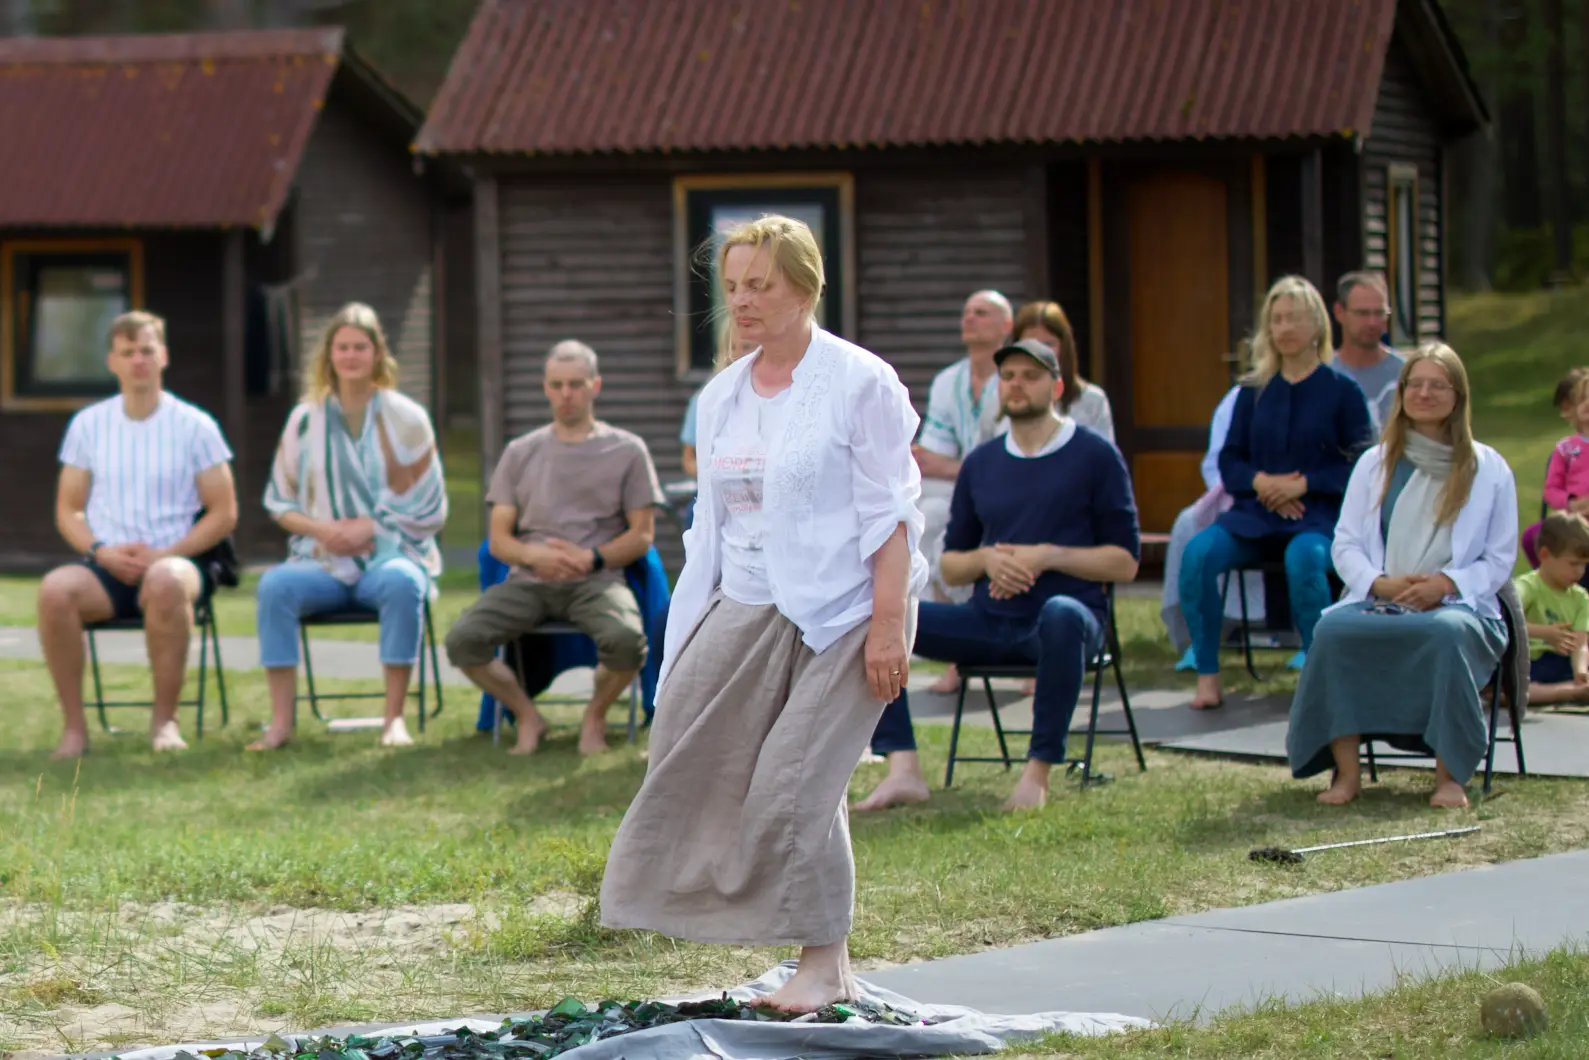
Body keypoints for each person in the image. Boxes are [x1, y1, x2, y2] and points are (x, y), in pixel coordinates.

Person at [598, 214, 927, 1013]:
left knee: (794, 780)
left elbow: (893, 511)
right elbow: (712, 524)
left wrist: (887, 623)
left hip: (846, 610)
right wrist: (693, 621)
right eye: (733, 286)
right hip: (744, 600)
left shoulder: (859, 381)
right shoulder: (721, 396)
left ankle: (818, 964)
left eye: (760, 286)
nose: (741, 302)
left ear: (805, 288)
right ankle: (819, 958)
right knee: (683, 739)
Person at [855, 337, 1140, 813]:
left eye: (1030, 376)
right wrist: (987, 561)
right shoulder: (982, 463)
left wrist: (1046, 556)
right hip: (989, 620)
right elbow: (951, 563)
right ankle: (903, 769)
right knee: (876, 616)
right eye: (1008, 376)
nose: (1016, 385)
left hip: (1067, 623)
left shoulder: (1095, 456)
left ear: (1057, 386)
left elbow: (1126, 563)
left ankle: (1037, 776)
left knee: (1061, 615)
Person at [1287, 343, 1517, 809]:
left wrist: (1445, 584)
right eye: (1416, 384)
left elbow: (1499, 559)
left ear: (1458, 395)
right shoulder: (1374, 463)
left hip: (1458, 606)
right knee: (1332, 629)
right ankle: (1347, 776)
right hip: (1381, 597)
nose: (1425, 394)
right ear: (1402, 392)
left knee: (1446, 634)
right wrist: (1379, 583)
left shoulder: (1488, 468)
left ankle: (1450, 778)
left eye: (1438, 385)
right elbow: (1345, 544)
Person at [445, 340, 661, 756]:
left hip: (596, 579)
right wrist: (534, 557)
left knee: (627, 642)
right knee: (463, 640)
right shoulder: (520, 452)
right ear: (545, 388)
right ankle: (527, 715)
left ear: (595, 386)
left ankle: (594, 715)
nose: (566, 394)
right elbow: (499, 538)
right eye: (557, 384)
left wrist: (591, 557)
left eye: (576, 384)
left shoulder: (627, 450)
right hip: (530, 579)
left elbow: (642, 535)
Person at [38, 311, 238, 760]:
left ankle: (165, 722)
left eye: (147, 350)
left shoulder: (196, 425)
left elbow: (225, 512)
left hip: (178, 562)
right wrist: (100, 551)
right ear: (112, 361)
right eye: (128, 353)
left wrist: (167, 553)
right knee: (54, 590)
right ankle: (74, 730)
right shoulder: (88, 425)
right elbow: (68, 509)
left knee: (166, 580)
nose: (138, 361)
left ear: (163, 356)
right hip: (107, 566)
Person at [253, 303, 448, 751]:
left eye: (360, 346)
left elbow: (431, 502)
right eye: (342, 347)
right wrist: (323, 531)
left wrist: (371, 528)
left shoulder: (407, 417)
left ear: (378, 353)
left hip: (390, 554)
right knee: (274, 587)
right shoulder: (305, 419)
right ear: (329, 355)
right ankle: (280, 722)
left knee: (402, 583)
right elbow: (278, 500)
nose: (351, 355)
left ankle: (393, 718)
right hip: (320, 560)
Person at [1179, 276, 1374, 708]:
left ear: (1317, 326)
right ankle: (1208, 676)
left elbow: (1362, 464)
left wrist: (1303, 483)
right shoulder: (1252, 392)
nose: (1284, 328)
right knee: (1197, 555)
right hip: (1255, 515)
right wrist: (1262, 483)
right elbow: (1229, 460)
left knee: (1304, 559)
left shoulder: (1343, 392)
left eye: (1294, 318)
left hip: (1318, 517)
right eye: (1277, 319)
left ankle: (1318, 672)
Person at [915, 289, 1013, 693]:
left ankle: (972, 644)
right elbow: (928, 457)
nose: (970, 318)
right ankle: (954, 646)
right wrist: (963, 468)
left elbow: (1010, 463)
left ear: (1006, 326)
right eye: (967, 312)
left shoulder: (1014, 377)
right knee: (928, 515)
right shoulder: (948, 381)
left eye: (982, 312)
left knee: (954, 519)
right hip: (961, 493)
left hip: (1009, 494)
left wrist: (957, 468)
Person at [1160, 384, 1266, 668]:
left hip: (1303, 503)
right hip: (1238, 498)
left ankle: (1298, 635)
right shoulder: (1241, 396)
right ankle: (1202, 640)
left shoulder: (1329, 388)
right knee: (1189, 525)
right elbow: (1218, 463)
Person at [1011, 300, 1114, 441]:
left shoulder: (1092, 400)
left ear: (1063, 348)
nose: (1038, 352)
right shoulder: (999, 401)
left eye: (1048, 344)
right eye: (1030, 344)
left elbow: (1104, 459)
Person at [1517, 511, 1589, 706]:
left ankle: (1574, 688)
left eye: (1584, 565)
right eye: (1573, 564)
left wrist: (1581, 670)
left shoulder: (1580, 597)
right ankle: (1566, 692)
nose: (1580, 572)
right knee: (1510, 688)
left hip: (1562, 662)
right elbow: (1506, 620)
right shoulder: (1528, 586)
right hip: (1530, 662)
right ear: (1545, 555)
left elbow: (1581, 643)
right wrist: (1545, 633)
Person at [1520, 368, 1589, 571]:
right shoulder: (1565, 449)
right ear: (1572, 409)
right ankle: (1548, 586)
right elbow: (1551, 490)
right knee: (1533, 537)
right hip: (1572, 520)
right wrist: (1571, 505)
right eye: (1583, 398)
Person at [1331, 271, 1403, 431]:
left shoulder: (1405, 374)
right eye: (1362, 313)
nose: (1372, 322)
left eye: (1379, 313)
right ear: (1339, 312)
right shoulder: (1324, 375)